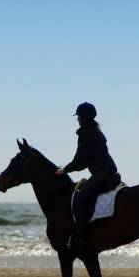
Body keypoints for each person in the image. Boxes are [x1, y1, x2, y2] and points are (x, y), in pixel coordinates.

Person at [55, 102, 122, 252]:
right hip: (109, 170)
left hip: (101, 173)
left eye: (78, 116)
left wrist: (64, 170)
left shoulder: (86, 134)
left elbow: (80, 162)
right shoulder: (96, 131)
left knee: (79, 200)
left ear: (84, 118)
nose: (77, 119)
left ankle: (81, 238)